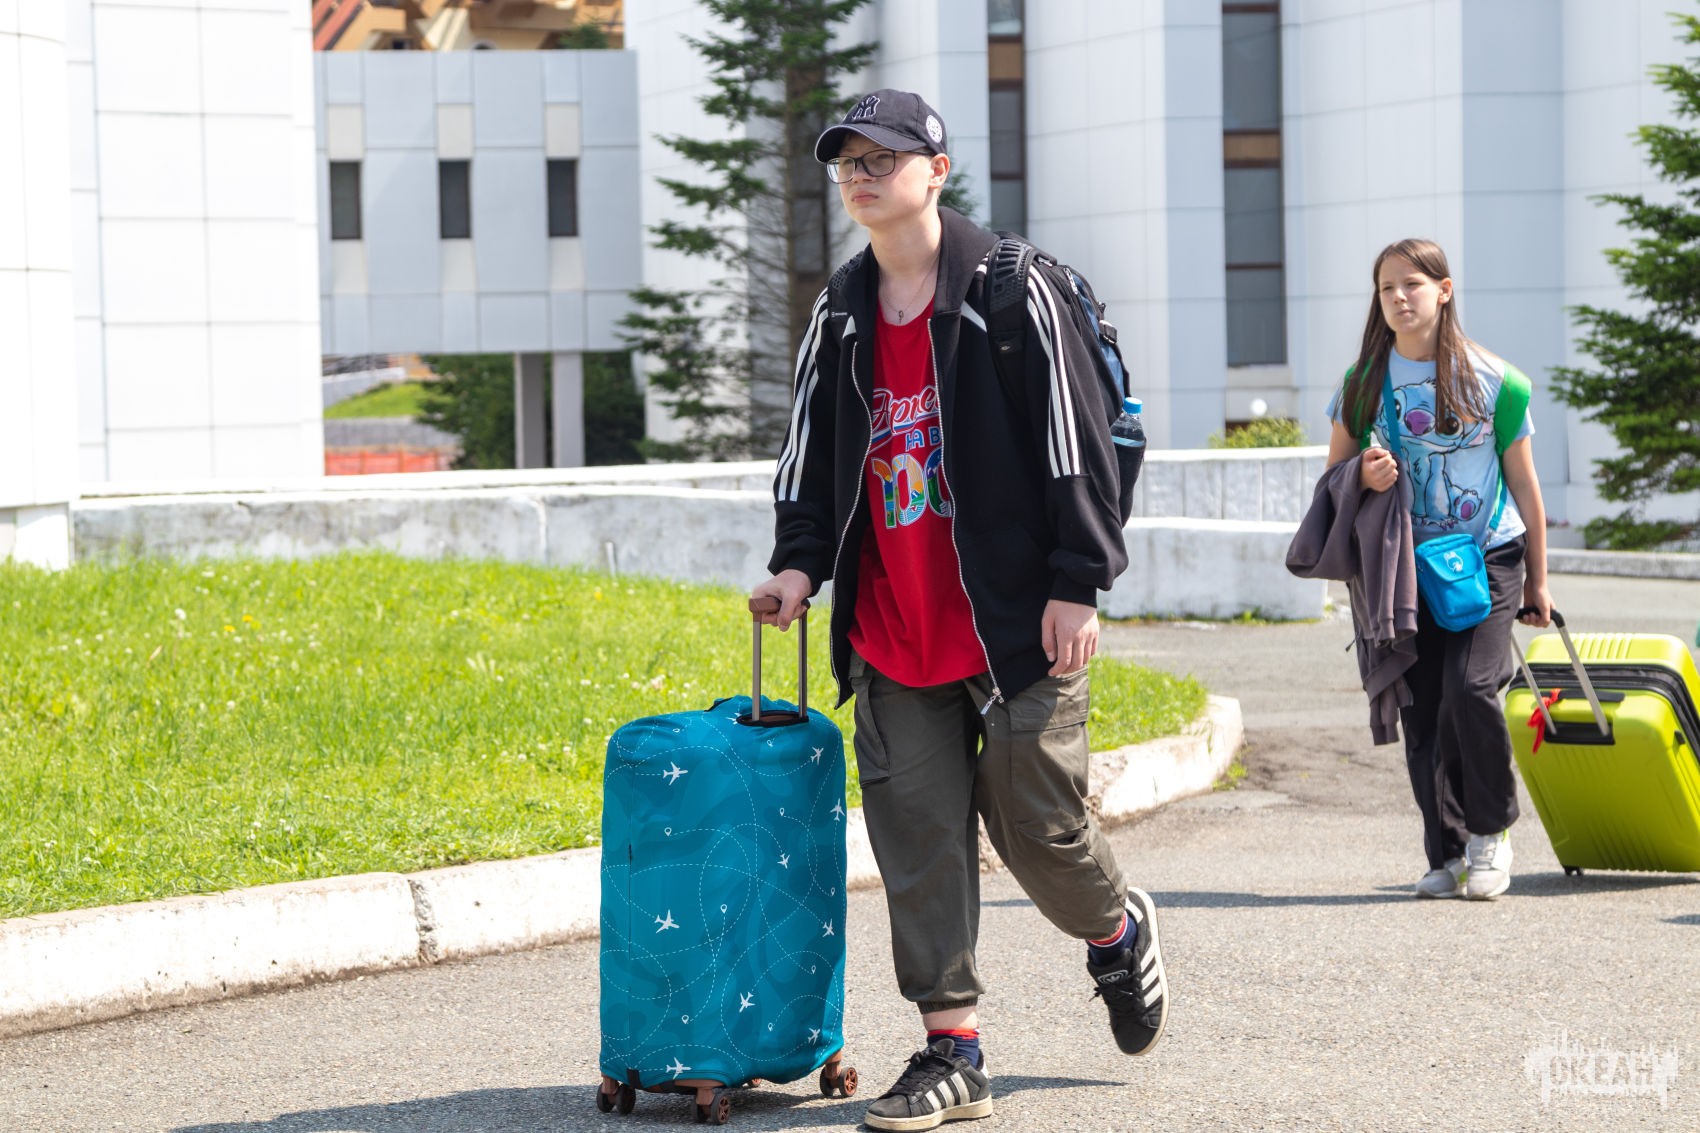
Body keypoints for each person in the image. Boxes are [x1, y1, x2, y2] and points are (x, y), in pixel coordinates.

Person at [750, 89, 1168, 1130]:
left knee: (1038, 828)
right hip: (893, 626)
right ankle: (953, 1048)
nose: (860, 176)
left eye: (882, 158)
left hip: (1019, 620)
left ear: (935, 171)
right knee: (919, 839)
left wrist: (1079, 580)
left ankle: (1116, 932)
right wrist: (797, 567)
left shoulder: (1013, 289)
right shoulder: (841, 311)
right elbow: (809, 455)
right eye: (846, 161)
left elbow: (1076, 441)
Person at [1324, 238, 1553, 901]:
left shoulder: (1497, 381)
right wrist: (1364, 474)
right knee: (1422, 707)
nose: (1399, 297)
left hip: (1489, 557)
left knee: (1471, 687)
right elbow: (1333, 475)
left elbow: (1525, 485)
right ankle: (1446, 851)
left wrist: (1538, 580)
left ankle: (1491, 833)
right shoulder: (1363, 383)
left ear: (1444, 291)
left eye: (1413, 285)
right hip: (1404, 566)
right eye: (1387, 288)